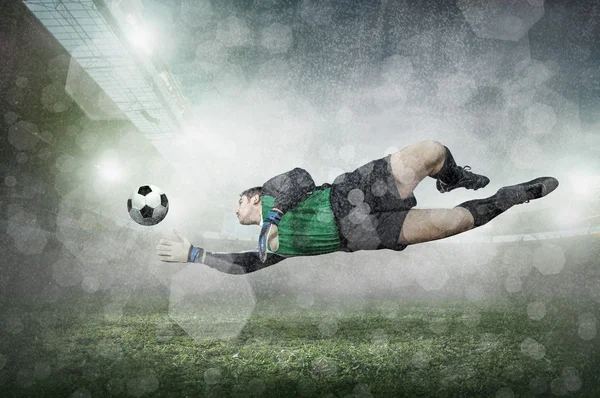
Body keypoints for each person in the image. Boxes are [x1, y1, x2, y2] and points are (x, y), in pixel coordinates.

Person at [156, 140, 558, 274]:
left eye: (238, 203)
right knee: (456, 222)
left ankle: (452, 176)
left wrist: (273, 217)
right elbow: (242, 265)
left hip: (354, 192)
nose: (236, 211)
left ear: (255, 197)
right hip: (364, 234)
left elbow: (301, 178)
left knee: (433, 151)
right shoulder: (271, 249)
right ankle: (512, 196)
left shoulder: (274, 190)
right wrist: (194, 254)